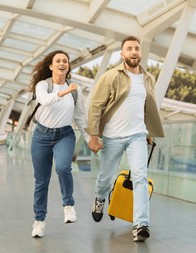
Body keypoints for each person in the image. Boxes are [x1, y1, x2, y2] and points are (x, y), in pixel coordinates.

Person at [86, 36, 164, 242]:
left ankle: (140, 224)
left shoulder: (149, 79)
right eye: (129, 48)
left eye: (137, 48)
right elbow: (95, 105)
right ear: (122, 53)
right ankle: (99, 198)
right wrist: (94, 135)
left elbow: (149, 108)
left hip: (137, 136)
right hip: (112, 137)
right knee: (105, 176)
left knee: (140, 176)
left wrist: (150, 133)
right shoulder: (111, 76)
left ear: (140, 52)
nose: (134, 51)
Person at [28, 50, 91, 238]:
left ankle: (69, 205)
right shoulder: (43, 85)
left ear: (68, 66)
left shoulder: (75, 89)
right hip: (41, 136)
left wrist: (89, 138)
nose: (62, 63)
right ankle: (39, 221)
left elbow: (80, 117)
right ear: (51, 66)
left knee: (63, 168)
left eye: (65, 61)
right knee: (41, 181)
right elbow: (44, 101)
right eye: (58, 61)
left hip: (64, 134)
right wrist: (64, 91)